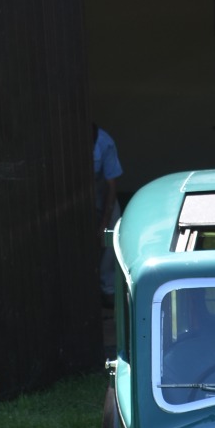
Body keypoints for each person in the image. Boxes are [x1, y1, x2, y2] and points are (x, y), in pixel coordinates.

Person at [93, 123, 123, 302]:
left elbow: (111, 185)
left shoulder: (105, 143)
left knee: (111, 234)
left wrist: (104, 222)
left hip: (102, 192)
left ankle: (108, 288)